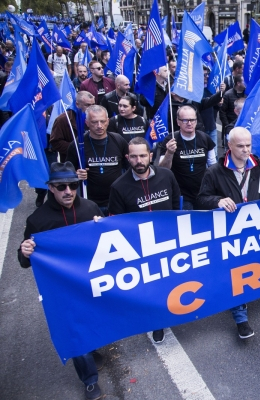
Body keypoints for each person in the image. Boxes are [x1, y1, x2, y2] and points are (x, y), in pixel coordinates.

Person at [18, 162, 106, 400]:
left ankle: (92, 347)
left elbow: (110, 242)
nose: (68, 191)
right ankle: (89, 380)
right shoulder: (38, 220)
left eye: (73, 186)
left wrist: (104, 225)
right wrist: (24, 251)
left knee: (95, 321)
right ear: (51, 188)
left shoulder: (90, 208)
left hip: (92, 282)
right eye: (61, 187)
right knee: (74, 331)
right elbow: (25, 261)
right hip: (62, 290)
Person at [196, 127, 260, 339]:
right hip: (228, 232)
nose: (246, 150)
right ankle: (240, 317)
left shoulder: (258, 166)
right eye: (240, 146)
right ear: (229, 146)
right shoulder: (214, 171)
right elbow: (201, 198)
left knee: (250, 265)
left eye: (248, 145)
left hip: (253, 228)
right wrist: (217, 201)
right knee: (235, 269)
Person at [107, 137, 181, 344]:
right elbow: (117, 224)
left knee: (170, 279)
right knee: (152, 286)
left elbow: (176, 204)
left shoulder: (167, 175)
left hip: (168, 240)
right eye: (134, 156)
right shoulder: (118, 187)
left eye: (142, 155)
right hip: (140, 247)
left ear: (150, 155)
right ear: (127, 158)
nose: (139, 160)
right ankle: (157, 323)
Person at [67, 105, 129, 215]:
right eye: (94, 122)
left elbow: (130, 168)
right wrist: (76, 175)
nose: (99, 126)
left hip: (116, 201)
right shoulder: (77, 145)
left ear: (108, 121)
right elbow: (66, 174)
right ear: (87, 123)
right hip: (90, 203)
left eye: (102, 121)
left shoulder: (118, 140)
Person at [156, 105, 217, 210]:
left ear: (196, 121)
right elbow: (162, 169)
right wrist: (169, 153)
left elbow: (213, 166)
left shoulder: (205, 138)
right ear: (178, 122)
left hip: (202, 192)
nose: (189, 123)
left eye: (192, 120)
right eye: (185, 120)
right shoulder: (170, 139)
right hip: (181, 195)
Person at [50, 91, 96, 162]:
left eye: (93, 105)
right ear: (77, 104)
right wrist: (76, 148)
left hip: (94, 160)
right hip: (72, 162)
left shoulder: (98, 117)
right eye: (87, 105)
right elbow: (55, 142)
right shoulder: (63, 119)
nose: (91, 108)